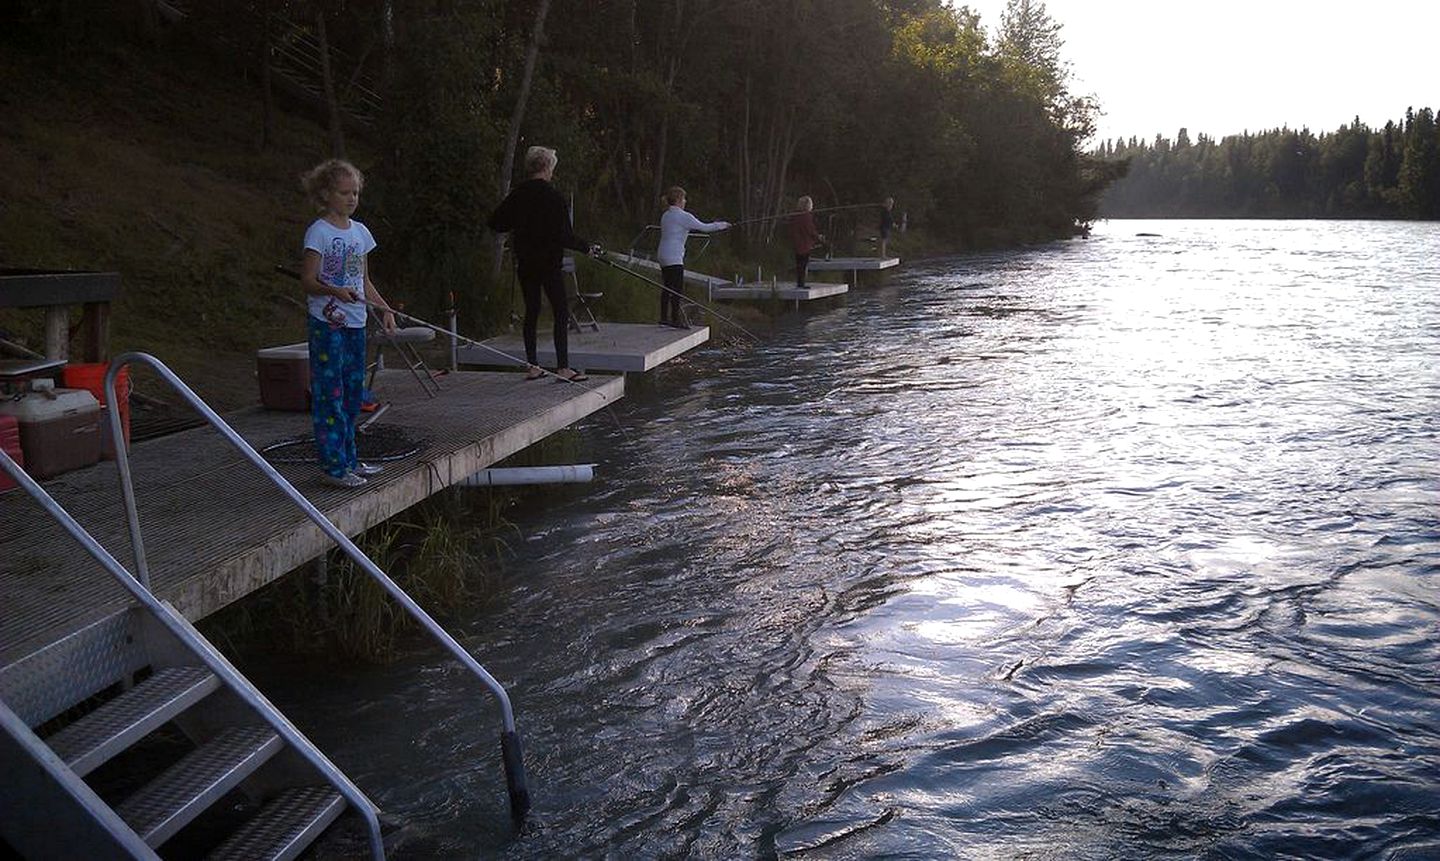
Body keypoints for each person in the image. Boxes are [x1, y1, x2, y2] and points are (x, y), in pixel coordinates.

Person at [299, 158, 398, 489]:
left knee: (353, 394)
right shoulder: (319, 232)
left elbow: (363, 281)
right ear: (327, 194)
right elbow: (308, 281)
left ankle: (350, 459)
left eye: (355, 192)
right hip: (327, 324)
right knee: (331, 394)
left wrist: (384, 309)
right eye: (344, 193)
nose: (352, 198)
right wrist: (334, 291)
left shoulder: (361, 233)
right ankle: (332, 466)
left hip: (356, 323)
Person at [488, 146, 602, 381]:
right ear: (547, 167)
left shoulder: (518, 194)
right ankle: (563, 368)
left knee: (532, 311)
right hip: (549, 263)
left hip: (526, 262)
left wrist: (518, 225)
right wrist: (587, 248)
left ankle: (533, 366)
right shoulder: (554, 197)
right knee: (561, 311)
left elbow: (496, 222)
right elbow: (565, 236)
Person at [657, 186, 729, 328]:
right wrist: (723, 225)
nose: (685, 201)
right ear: (678, 200)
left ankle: (664, 318)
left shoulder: (666, 215)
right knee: (676, 288)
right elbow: (705, 227)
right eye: (683, 198)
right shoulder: (683, 216)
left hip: (662, 255)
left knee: (667, 286)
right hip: (674, 257)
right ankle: (675, 320)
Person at [788, 196, 823, 289]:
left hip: (796, 244)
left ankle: (800, 283)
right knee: (803, 265)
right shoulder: (806, 216)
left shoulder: (795, 216)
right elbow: (810, 230)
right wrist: (818, 238)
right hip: (804, 244)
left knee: (799, 264)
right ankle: (801, 284)